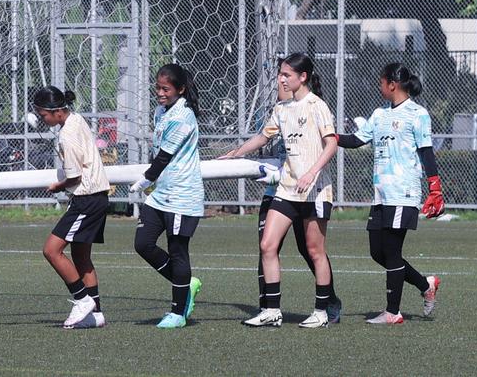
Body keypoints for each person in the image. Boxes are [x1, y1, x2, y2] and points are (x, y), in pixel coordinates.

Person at [220, 53, 340, 328]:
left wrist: (311, 172)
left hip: (315, 190)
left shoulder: (316, 106)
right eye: (281, 74)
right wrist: (235, 153)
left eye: (287, 74)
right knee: (267, 244)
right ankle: (272, 310)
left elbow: (331, 144)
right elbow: (264, 136)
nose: (281, 78)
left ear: (303, 77)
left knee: (314, 250)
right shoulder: (281, 109)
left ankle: (321, 312)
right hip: (287, 189)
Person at [337, 62, 445, 325]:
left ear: (392, 84)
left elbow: (426, 152)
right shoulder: (378, 115)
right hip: (381, 195)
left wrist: (435, 187)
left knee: (393, 252)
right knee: (378, 253)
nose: (379, 85)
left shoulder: (418, 114)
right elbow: (356, 140)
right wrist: (329, 136)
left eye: (381, 82)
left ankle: (392, 312)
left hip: (403, 193)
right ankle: (425, 284)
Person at [129, 63, 203, 329]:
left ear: (180, 90)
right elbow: (157, 150)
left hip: (182, 196)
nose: (159, 93)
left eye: (165, 89)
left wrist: (145, 180)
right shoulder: (161, 111)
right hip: (162, 193)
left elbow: (164, 156)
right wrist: (153, 183)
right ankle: (186, 284)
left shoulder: (183, 116)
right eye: (157, 87)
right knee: (143, 243)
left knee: (177, 250)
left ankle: (178, 313)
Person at [33, 85, 110, 329]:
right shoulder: (77, 119)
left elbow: (75, 177)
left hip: (86, 198)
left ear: (56, 111)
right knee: (80, 256)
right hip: (98, 197)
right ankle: (96, 313)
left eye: (43, 114)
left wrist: (58, 186)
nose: (42, 119)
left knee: (51, 250)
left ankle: (81, 299)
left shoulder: (66, 135)